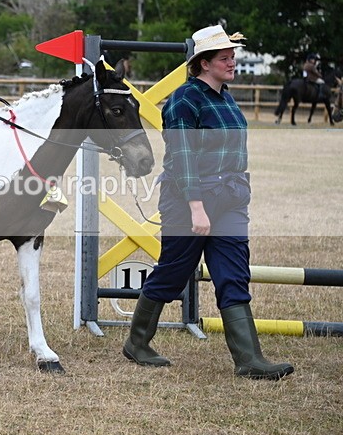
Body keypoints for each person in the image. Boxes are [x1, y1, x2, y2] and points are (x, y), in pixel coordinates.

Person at [122, 25, 294, 381]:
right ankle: (137, 343)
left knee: (234, 274)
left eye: (232, 56)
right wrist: (197, 208)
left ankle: (250, 360)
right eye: (224, 58)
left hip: (230, 198)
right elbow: (183, 157)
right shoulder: (184, 100)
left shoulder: (226, 98)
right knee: (173, 272)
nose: (232, 62)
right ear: (203, 63)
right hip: (188, 200)